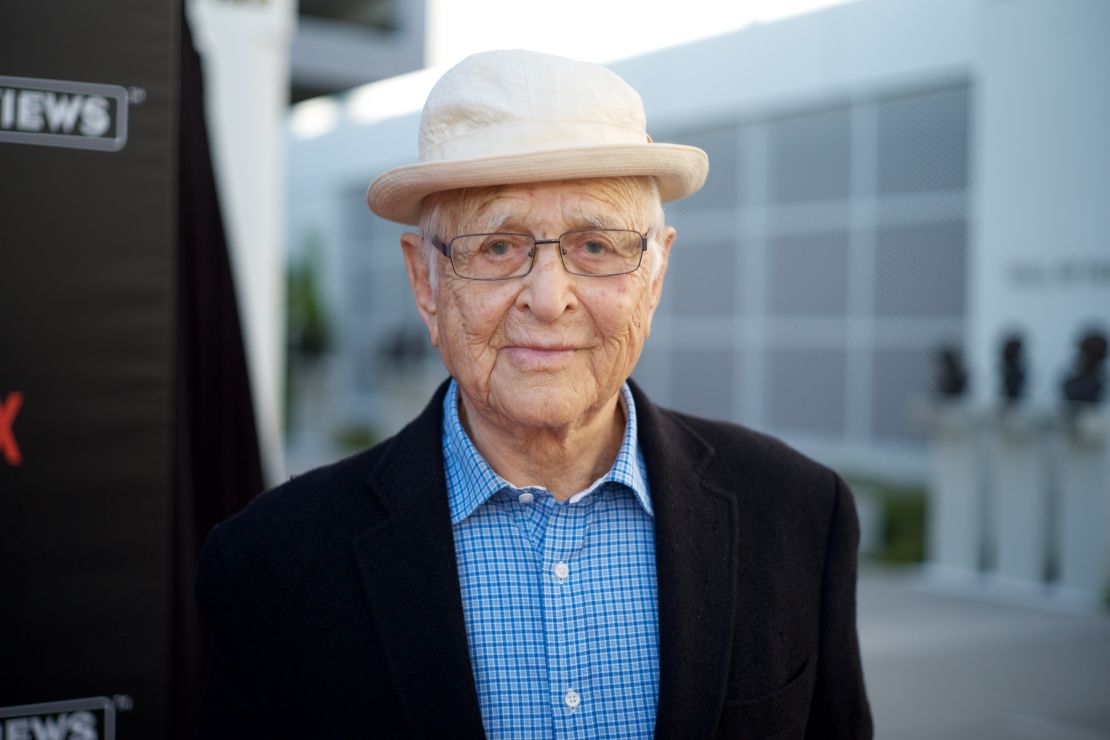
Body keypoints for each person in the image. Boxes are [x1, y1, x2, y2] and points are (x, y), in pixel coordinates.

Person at [195, 49, 873, 739]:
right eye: (496, 247)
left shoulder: (798, 516)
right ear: (426, 283)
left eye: (597, 246)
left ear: (656, 273)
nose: (549, 301)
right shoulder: (270, 566)